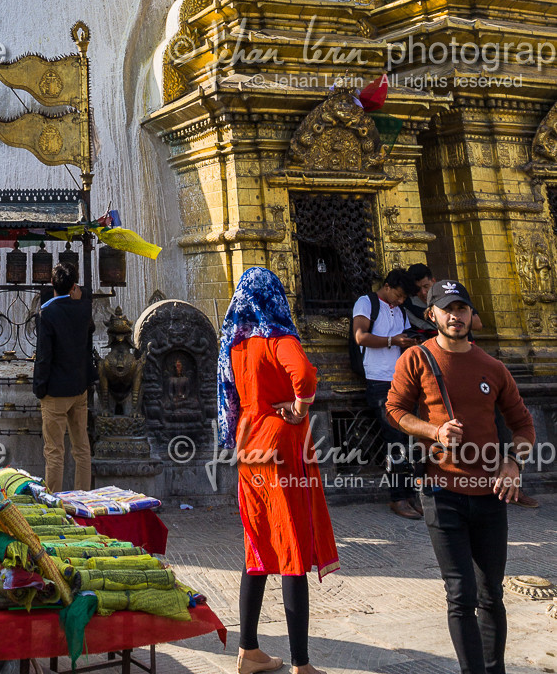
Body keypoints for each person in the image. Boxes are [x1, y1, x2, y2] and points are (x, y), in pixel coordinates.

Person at [387, 278, 536, 674]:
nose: (456, 316)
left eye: (462, 308)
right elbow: (395, 410)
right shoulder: (416, 359)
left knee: (491, 595)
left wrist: (513, 463)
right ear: (431, 315)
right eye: (447, 309)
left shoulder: (493, 367)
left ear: (471, 314)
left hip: (490, 495)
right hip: (441, 492)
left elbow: (523, 425)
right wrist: (433, 431)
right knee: (460, 595)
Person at [218, 266, 337, 674]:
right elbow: (302, 375)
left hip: (248, 440)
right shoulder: (279, 337)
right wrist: (300, 407)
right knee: (291, 546)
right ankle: (302, 664)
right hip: (280, 441)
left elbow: (230, 395)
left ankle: (248, 651)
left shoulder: (234, 342)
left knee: (256, 546)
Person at [351, 268, 419, 519]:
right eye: (399, 295)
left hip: (401, 380)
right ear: (387, 286)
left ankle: (410, 494)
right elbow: (360, 337)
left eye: (404, 298)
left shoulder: (400, 310)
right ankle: (398, 497)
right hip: (379, 380)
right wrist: (393, 341)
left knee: (409, 440)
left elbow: (404, 336)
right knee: (394, 439)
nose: (401, 301)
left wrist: (409, 342)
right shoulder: (366, 303)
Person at [33, 262, 97, 493]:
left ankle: (54, 502)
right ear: (73, 285)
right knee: (82, 448)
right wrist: (78, 298)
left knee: (54, 451)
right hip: (79, 388)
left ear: (52, 283)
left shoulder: (47, 314)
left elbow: (44, 356)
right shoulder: (84, 309)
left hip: (55, 392)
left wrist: (40, 388)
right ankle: (83, 497)